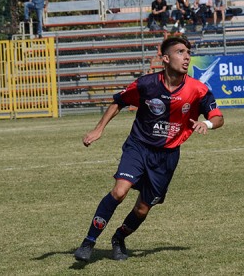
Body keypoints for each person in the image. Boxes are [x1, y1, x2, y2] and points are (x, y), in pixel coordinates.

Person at [74, 36, 224, 262]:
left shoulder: (197, 89)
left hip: (167, 157)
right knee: (119, 191)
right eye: (180, 52)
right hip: (139, 147)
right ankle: (89, 241)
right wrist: (99, 129)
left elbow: (218, 117)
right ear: (165, 58)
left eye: (188, 52)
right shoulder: (146, 84)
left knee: (143, 209)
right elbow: (120, 101)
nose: (187, 57)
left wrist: (207, 123)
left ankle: (119, 238)